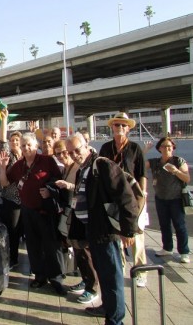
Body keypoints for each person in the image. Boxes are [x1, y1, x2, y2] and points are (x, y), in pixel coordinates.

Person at [66, 134, 139, 324]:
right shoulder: (84, 169)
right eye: (70, 152)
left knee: (112, 278)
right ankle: (107, 307)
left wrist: (128, 230)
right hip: (93, 231)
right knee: (103, 274)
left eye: (77, 150)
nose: (74, 155)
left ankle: (115, 320)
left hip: (107, 233)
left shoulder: (102, 165)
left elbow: (125, 197)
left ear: (87, 146)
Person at [0, 132, 66, 295]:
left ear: (36, 146)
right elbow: (5, 183)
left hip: (45, 211)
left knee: (51, 245)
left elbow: (59, 180)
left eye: (29, 144)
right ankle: (39, 276)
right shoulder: (19, 165)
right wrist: (2, 166)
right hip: (27, 211)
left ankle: (56, 278)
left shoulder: (47, 160)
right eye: (23, 145)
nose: (26, 148)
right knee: (33, 246)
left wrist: (50, 191)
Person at [99, 112, 148, 288]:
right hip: (113, 198)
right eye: (116, 125)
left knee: (136, 234)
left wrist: (142, 196)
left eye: (123, 125)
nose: (119, 128)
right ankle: (119, 268)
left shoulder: (135, 148)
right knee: (116, 234)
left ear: (128, 129)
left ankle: (140, 271)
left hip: (133, 197)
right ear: (111, 128)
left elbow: (142, 174)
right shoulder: (106, 148)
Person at [51, 138, 99, 304]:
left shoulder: (86, 165)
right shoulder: (69, 167)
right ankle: (86, 280)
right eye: (59, 154)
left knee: (86, 251)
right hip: (73, 212)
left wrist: (67, 186)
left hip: (85, 215)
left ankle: (92, 287)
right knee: (78, 249)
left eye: (67, 152)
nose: (64, 155)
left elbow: (79, 188)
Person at [145, 137, 190, 263]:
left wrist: (175, 171)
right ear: (159, 148)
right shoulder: (154, 162)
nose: (167, 148)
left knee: (179, 225)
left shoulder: (178, 161)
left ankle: (184, 252)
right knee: (164, 225)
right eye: (164, 146)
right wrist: (145, 150)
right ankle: (167, 248)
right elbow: (137, 166)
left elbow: (187, 178)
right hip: (160, 199)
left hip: (176, 199)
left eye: (169, 146)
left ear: (173, 148)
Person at [0, 109, 23, 269]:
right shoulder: (10, 156)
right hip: (11, 199)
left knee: (23, 232)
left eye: (16, 140)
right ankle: (12, 258)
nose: (14, 142)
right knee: (12, 231)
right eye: (12, 140)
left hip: (27, 200)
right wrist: (4, 120)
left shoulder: (28, 157)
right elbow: (2, 140)